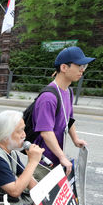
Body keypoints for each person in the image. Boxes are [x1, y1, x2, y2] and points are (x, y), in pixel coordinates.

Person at [31, 47, 92, 180]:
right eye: (80, 66)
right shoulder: (48, 97)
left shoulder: (68, 91)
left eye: (84, 66)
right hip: (43, 161)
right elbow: (46, 132)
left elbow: (68, 118)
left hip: (56, 158)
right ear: (64, 67)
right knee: (38, 199)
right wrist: (62, 157)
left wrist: (75, 139)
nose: (82, 70)